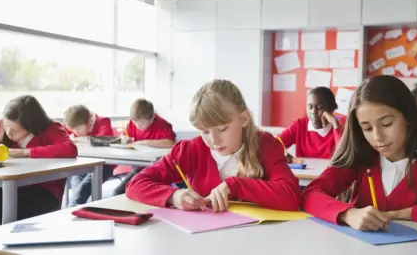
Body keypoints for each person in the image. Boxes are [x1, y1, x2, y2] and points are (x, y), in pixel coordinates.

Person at [302, 75, 417, 230]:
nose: (378, 137)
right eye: (367, 128)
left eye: (387, 124)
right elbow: (311, 194)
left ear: (409, 117)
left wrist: (409, 213)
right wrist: (348, 214)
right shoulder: (361, 158)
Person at [125, 79, 301, 212]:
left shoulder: (266, 145)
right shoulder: (190, 150)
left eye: (222, 129)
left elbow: (291, 197)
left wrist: (235, 186)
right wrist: (173, 195)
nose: (214, 141)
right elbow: (136, 183)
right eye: (205, 131)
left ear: (244, 119)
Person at [0, 95, 77, 229]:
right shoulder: (0, 126)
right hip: (8, 189)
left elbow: (69, 149)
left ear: (31, 126)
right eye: (6, 125)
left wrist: (27, 152)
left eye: (15, 130)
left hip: (43, 194)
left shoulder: (51, 129)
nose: (8, 132)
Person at [112, 98, 176, 195]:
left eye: (141, 123)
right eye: (135, 123)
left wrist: (145, 142)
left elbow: (170, 142)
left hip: (155, 168)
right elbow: (126, 137)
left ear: (152, 118)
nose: (138, 126)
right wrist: (124, 139)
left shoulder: (162, 124)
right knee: (120, 191)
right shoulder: (132, 124)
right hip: (138, 165)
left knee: (119, 192)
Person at [63, 105, 115, 206]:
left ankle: (68, 217)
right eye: (73, 130)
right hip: (83, 163)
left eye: (78, 129)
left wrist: (77, 139)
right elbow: (64, 140)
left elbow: (101, 140)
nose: (76, 132)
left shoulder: (103, 122)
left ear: (89, 121)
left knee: (80, 192)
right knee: (77, 191)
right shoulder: (74, 123)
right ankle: (76, 215)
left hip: (104, 165)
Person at [277, 87, 344, 162]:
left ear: (330, 109)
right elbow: (275, 144)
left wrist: (335, 123)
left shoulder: (339, 128)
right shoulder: (299, 125)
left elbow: (343, 156)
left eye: (319, 107)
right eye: (310, 107)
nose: (313, 112)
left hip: (330, 173)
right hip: (303, 174)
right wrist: (284, 154)